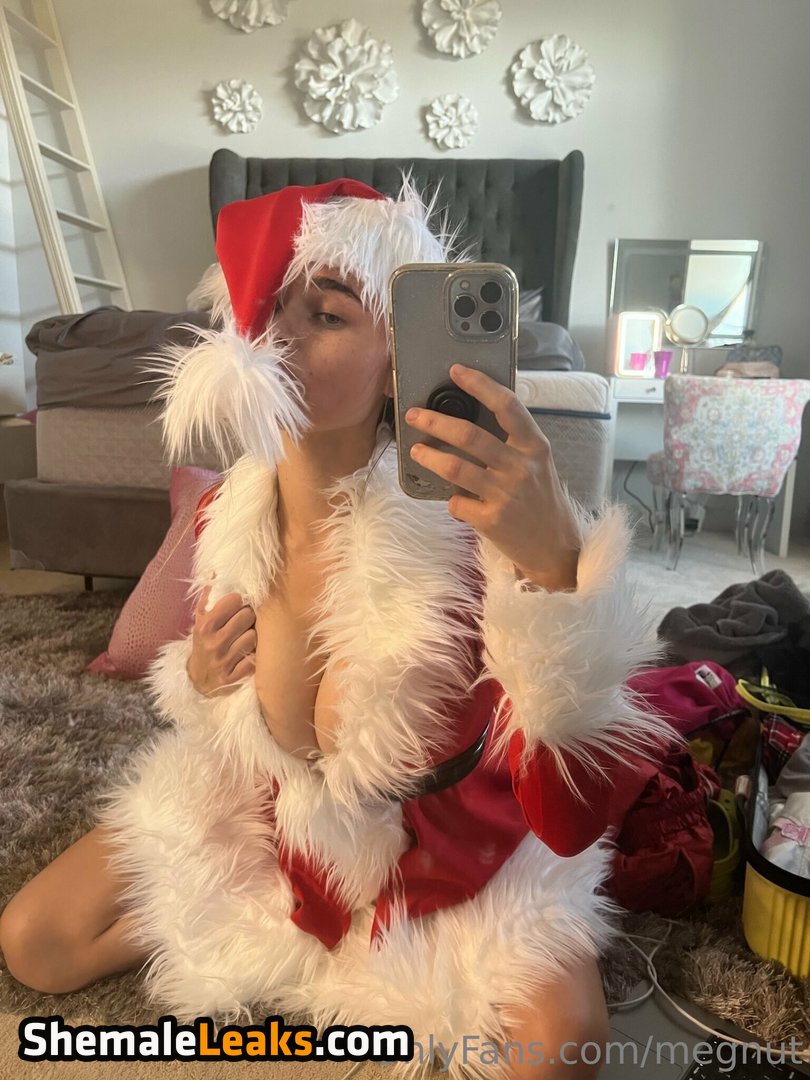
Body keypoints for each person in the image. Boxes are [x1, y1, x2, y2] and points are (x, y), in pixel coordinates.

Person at [0, 178, 665, 1079]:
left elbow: (572, 816)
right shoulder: (228, 519)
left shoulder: (475, 531)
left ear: (402, 354)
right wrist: (202, 678)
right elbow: (231, 722)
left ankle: (347, 967)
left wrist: (554, 574)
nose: (278, 336)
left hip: (449, 862)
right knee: (37, 942)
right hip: (285, 838)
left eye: (326, 313)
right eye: (264, 308)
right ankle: (281, 952)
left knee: (561, 1053)